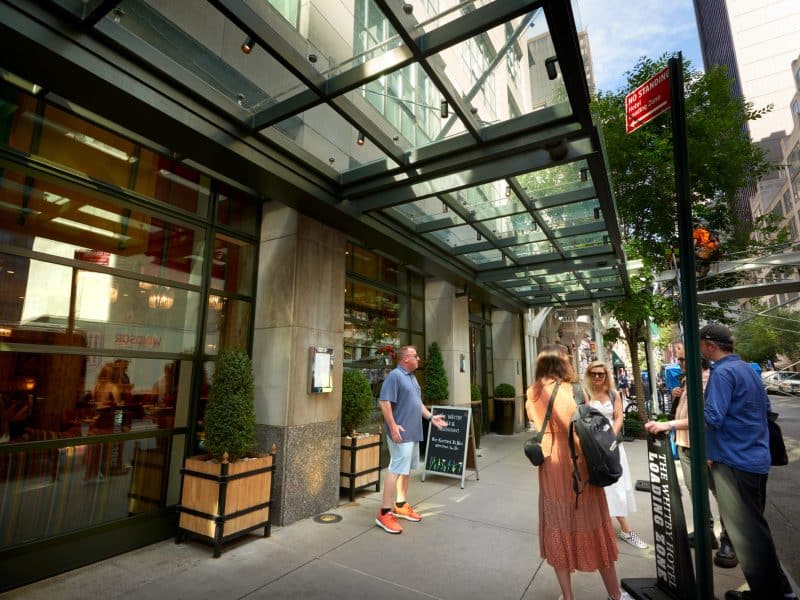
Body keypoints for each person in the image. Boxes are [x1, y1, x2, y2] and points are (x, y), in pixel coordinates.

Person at [526, 345, 630, 600]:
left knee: (557, 525)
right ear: (563, 363)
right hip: (576, 466)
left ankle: (568, 596)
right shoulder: (571, 391)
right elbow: (581, 433)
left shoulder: (531, 391)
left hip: (550, 466)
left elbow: (536, 424)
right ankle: (615, 595)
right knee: (594, 524)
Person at [699, 323, 795, 600]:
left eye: (701, 345)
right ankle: (779, 591)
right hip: (755, 459)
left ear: (709, 345)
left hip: (733, 462)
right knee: (756, 531)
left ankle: (769, 595)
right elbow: (767, 411)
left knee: (748, 537)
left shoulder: (722, 373)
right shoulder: (747, 370)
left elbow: (712, 417)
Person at [644, 349, 732, 563]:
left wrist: (668, 424)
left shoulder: (708, 380)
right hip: (685, 444)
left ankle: (728, 540)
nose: (680, 362)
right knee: (696, 492)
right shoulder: (689, 380)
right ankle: (705, 532)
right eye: (680, 359)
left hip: (702, 447)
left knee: (719, 493)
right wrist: (679, 394)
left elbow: (703, 418)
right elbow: (686, 409)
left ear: (699, 359)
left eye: (684, 359)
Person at [376, 345, 447, 534]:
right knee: (396, 469)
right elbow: (384, 402)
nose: (419, 359)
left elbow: (418, 403)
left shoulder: (412, 378)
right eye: (416, 356)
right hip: (400, 433)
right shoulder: (395, 376)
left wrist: (431, 417)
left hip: (413, 432)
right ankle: (384, 512)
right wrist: (392, 426)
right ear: (405, 358)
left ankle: (400, 504)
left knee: (405, 470)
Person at [584, 361, 648, 550]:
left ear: (606, 375)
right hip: (595, 447)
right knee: (597, 487)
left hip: (612, 446)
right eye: (594, 373)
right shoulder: (587, 393)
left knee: (616, 486)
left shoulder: (614, 394)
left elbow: (619, 416)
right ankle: (597, 529)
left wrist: (610, 436)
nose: (597, 377)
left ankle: (626, 530)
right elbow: (587, 419)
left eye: (600, 374)